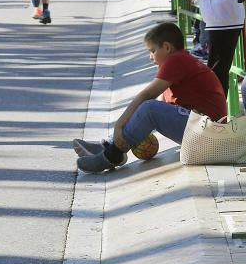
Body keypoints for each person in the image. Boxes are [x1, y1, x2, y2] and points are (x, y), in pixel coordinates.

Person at [75, 22, 226, 173]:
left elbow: (147, 96)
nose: (150, 57)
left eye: (152, 51)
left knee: (149, 108)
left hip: (208, 134)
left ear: (167, 47)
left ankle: (113, 155)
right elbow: (156, 107)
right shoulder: (181, 61)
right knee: (149, 107)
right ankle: (108, 146)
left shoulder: (176, 60)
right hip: (205, 132)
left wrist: (118, 125)